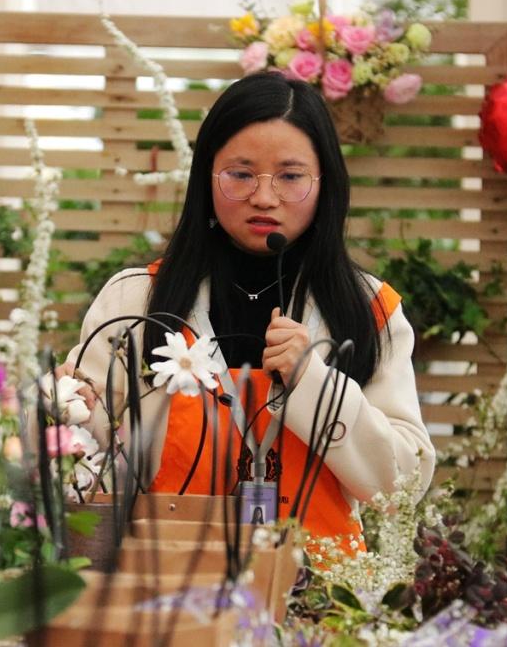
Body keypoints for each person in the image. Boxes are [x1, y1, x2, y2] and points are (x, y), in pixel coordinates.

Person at [58, 71, 434, 547]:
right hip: (165, 575)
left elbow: (401, 489)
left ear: (326, 183)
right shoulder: (135, 300)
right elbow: (84, 456)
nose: (264, 197)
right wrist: (67, 410)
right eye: (240, 174)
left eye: (291, 176)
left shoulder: (369, 309)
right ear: (207, 178)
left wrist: (313, 382)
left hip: (321, 585)